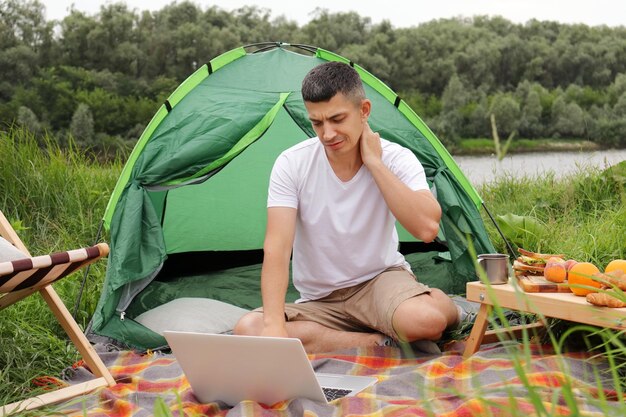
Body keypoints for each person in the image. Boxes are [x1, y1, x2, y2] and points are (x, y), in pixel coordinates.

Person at [234, 61, 461, 353]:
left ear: (363, 111)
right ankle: (377, 342)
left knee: (423, 320)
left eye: (337, 119)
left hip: (379, 283)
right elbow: (277, 248)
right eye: (317, 123)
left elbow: (427, 228)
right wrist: (275, 329)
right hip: (319, 300)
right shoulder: (292, 163)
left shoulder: (395, 158)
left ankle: (446, 307)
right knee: (249, 329)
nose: (327, 134)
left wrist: (375, 164)